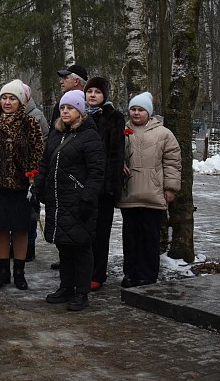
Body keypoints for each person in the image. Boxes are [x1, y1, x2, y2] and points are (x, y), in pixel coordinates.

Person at [35, 90, 104, 311]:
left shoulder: (90, 136)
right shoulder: (56, 133)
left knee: (81, 247)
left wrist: (87, 196)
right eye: (63, 108)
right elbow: (45, 162)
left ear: (81, 112)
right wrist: (38, 184)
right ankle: (66, 287)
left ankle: (81, 292)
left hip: (79, 200)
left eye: (71, 108)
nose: (65, 111)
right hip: (58, 200)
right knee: (64, 246)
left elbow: (96, 171)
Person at [0, 79, 44, 291]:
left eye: (12, 98)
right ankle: (3, 272)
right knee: (0, 228)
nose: (8, 102)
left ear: (21, 102)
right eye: (4, 98)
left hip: (20, 184)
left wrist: (33, 176)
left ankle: (19, 272)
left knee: (21, 228)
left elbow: (38, 152)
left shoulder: (30, 123)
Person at [118, 92, 181, 288]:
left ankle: (147, 274)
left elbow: (172, 162)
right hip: (129, 193)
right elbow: (111, 152)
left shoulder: (163, 134)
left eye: (141, 110)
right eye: (133, 109)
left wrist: (170, 187)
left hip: (153, 193)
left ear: (149, 112)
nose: (136, 113)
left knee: (149, 237)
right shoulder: (121, 130)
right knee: (130, 237)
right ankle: (130, 273)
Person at [83, 77, 125, 291]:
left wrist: (110, 185)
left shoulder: (114, 118)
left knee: (100, 234)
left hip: (103, 187)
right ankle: (82, 272)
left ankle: (98, 273)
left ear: (104, 96)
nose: (92, 95)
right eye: (89, 91)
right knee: (83, 232)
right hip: (82, 185)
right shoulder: (79, 115)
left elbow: (117, 153)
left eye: (97, 92)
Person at [47, 64, 88, 270]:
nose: (61, 81)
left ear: (77, 81)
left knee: (81, 235)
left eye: (65, 78)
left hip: (80, 184)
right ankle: (66, 267)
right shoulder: (59, 110)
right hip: (60, 182)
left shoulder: (89, 109)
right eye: (63, 108)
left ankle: (81, 279)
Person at [22, 82, 49, 261]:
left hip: (32, 170)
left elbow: (44, 140)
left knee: (30, 210)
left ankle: (29, 245)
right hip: (13, 172)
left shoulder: (36, 115)